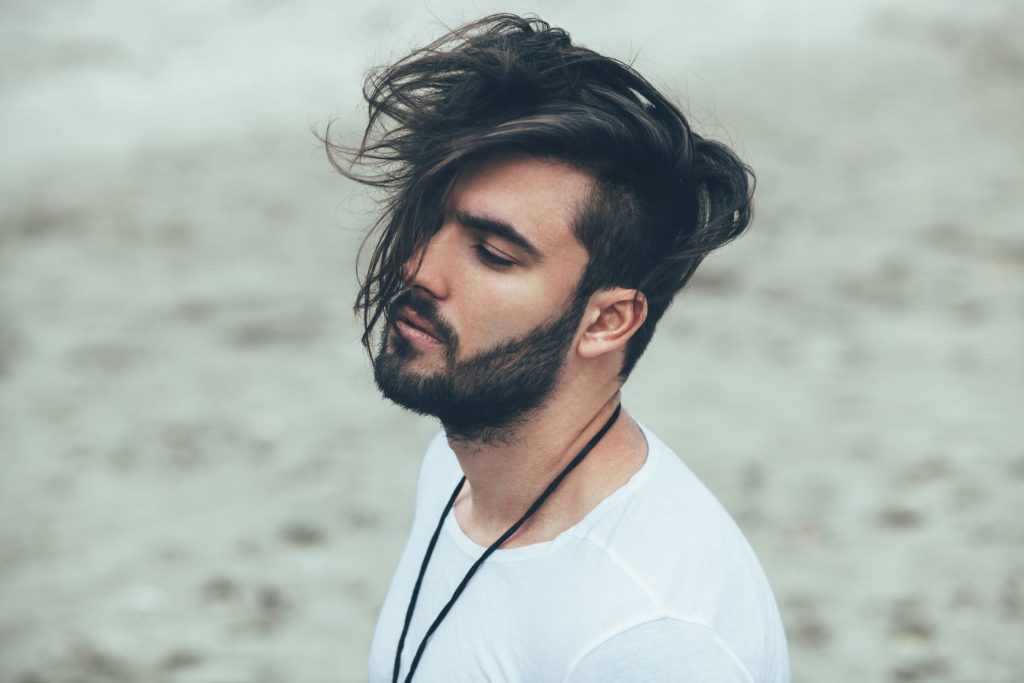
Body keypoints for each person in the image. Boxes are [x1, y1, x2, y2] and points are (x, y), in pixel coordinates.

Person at [325, 13, 789, 682]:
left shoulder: (652, 636)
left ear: (607, 321)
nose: (418, 267)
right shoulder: (458, 466)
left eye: (492, 254)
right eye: (430, 220)